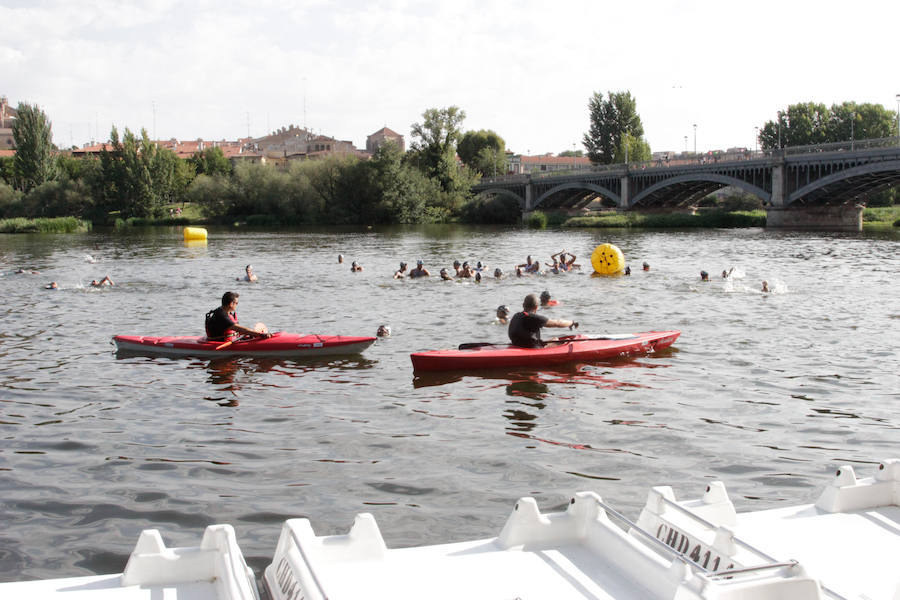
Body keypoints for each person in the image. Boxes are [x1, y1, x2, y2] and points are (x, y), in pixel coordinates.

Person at [508, 293, 578, 348]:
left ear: (523, 305)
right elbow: (557, 323)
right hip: (531, 349)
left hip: (517, 346)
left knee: (554, 339)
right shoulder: (533, 317)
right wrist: (571, 323)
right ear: (536, 307)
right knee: (559, 341)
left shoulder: (516, 316)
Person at [204, 291, 271, 342]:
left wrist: (252, 333)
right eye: (236, 303)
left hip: (230, 339)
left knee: (250, 335)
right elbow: (239, 329)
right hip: (220, 342)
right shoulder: (222, 316)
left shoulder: (224, 311)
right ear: (231, 304)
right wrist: (260, 334)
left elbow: (238, 330)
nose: (237, 305)